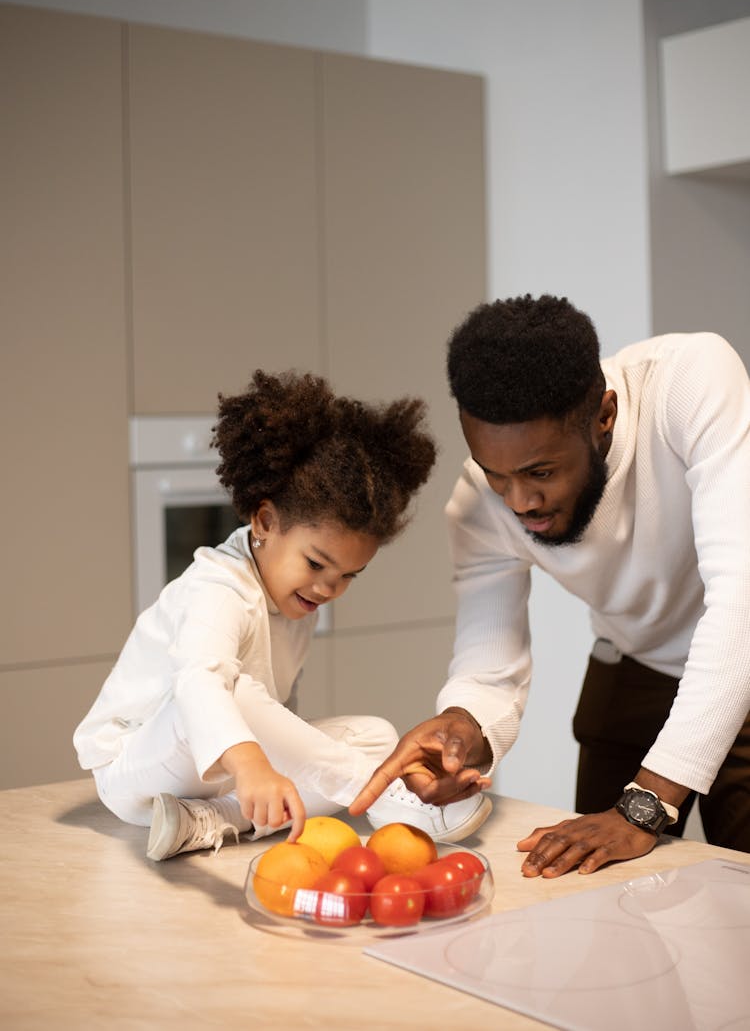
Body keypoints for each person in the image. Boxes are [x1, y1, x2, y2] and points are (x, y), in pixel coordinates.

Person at [350, 294, 750, 877]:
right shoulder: (478, 507)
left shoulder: (688, 384)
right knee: (597, 893)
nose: (519, 503)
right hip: (633, 661)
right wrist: (463, 726)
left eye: (540, 473)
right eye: (496, 475)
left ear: (604, 416)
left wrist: (646, 807)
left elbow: (741, 597)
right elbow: (492, 666)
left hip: (743, 657)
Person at [74, 369, 490, 860]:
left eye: (348, 576)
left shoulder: (293, 596)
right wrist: (252, 762)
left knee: (375, 735)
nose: (328, 588)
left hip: (203, 771)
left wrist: (278, 763)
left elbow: (279, 718)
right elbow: (198, 683)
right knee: (234, 692)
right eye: (316, 564)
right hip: (136, 764)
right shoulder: (218, 586)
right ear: (265, 522)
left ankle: (209, 821)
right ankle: (392, 797)